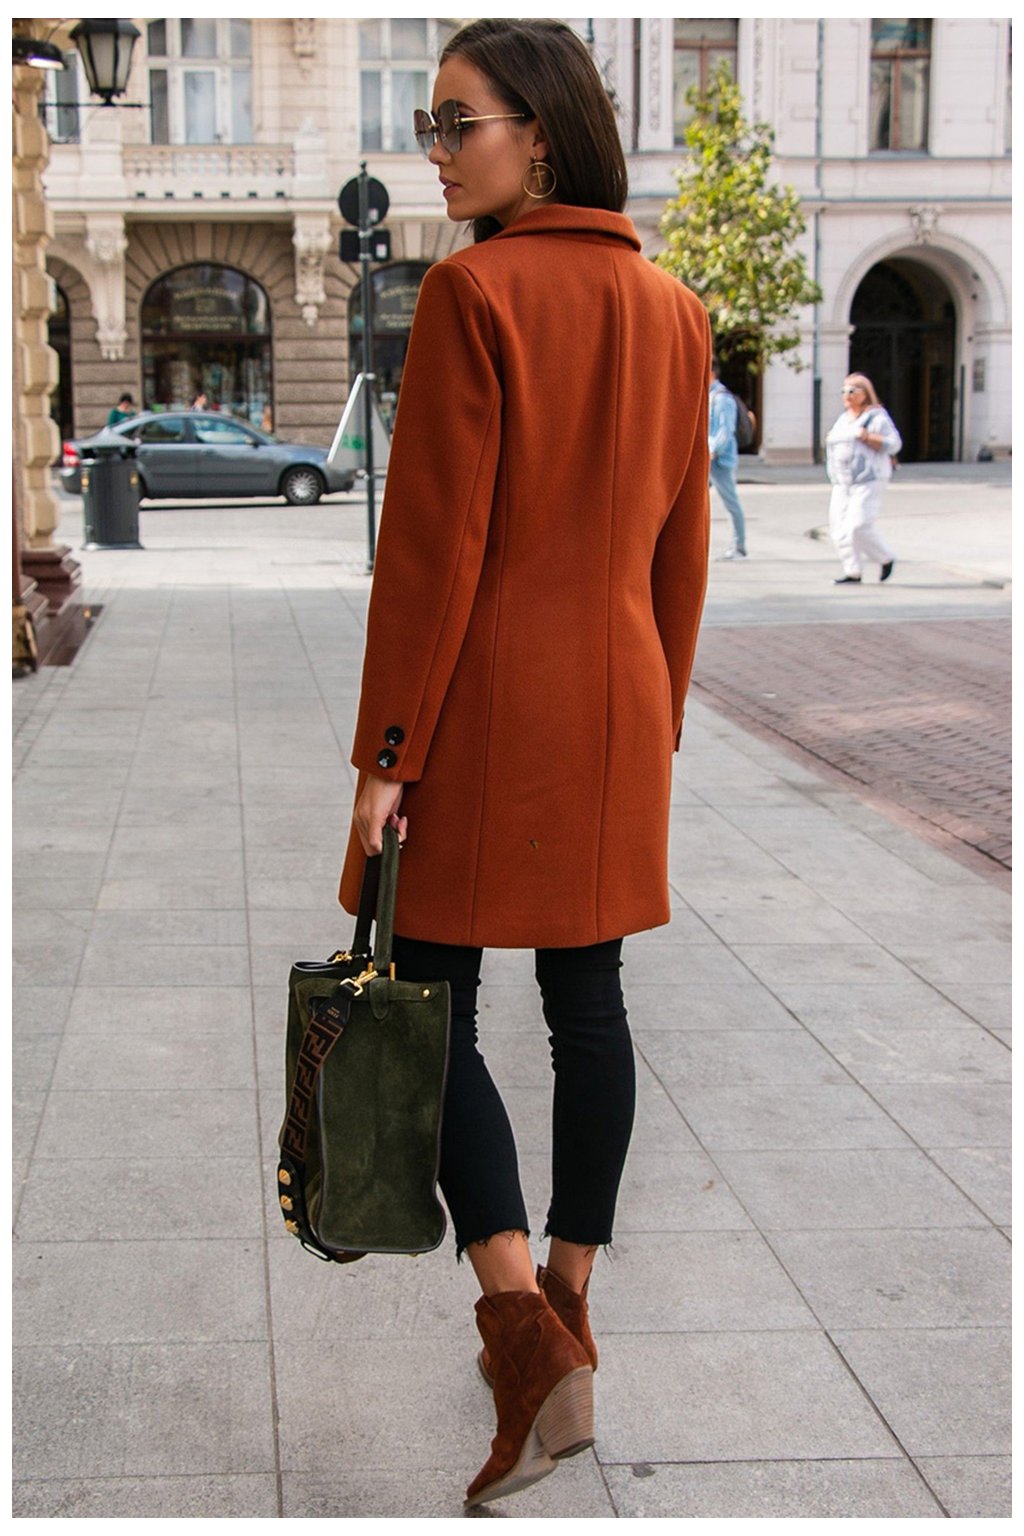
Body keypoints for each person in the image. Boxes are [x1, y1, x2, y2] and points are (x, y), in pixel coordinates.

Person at [337, 18, 710, 1512]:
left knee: (423, 1006)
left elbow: (433, 554)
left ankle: (523, 1335)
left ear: (540, 136)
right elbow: (683, 548)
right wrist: (657, 716)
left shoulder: (472, 291)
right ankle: (571, 1305)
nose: (433, 151)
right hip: (618, 691)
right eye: (429, 124)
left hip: (486, 700)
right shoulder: (673, 306)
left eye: (457, 123)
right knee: (588, 1002)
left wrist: (387, 755)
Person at [825, 372, 901, 584]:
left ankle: (885, 557)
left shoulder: (876, 418)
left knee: (858, 525)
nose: (847, 395)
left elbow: (894, 444)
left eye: (852, 391)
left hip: (869, 478)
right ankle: (852, 571)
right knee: (839, 528)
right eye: (843, 391)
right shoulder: (843, 419)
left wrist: (867, 436)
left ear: (865, 394)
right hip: (842, 480)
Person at [708, 359, 747, 560]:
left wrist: (712, 452)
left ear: (711, 372)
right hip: (711, 458)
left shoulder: (721, 398)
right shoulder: (710, 395)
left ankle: (739, 547)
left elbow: (725, 430)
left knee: (731, 503)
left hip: (719, 460)